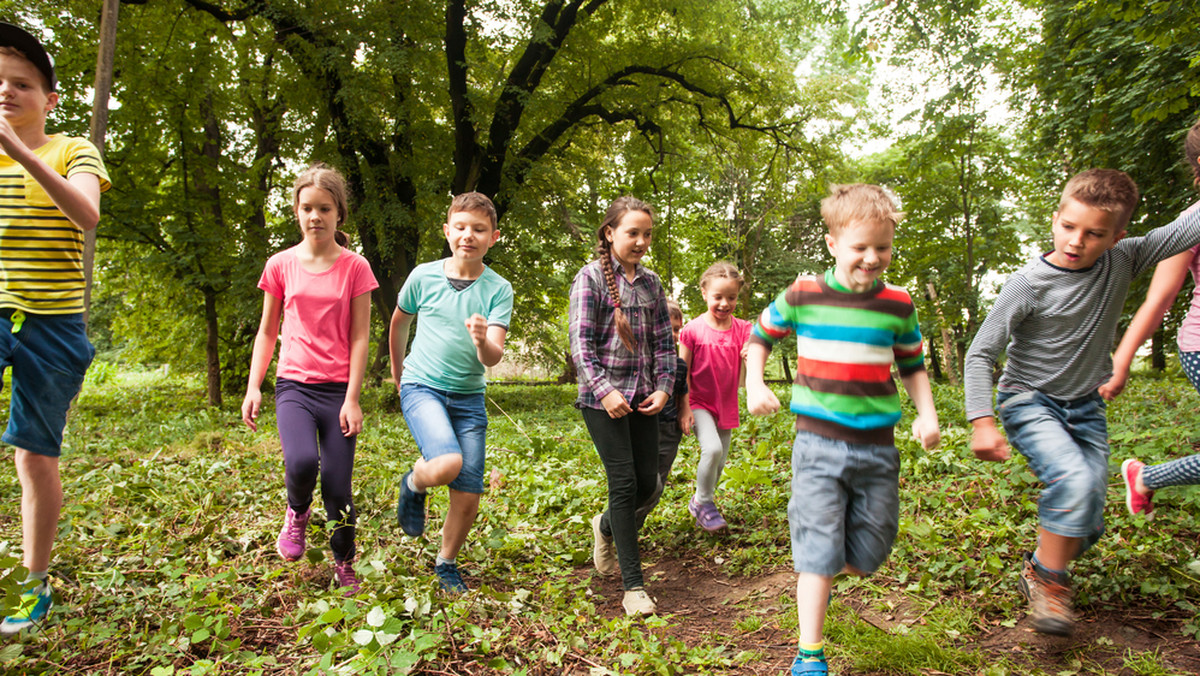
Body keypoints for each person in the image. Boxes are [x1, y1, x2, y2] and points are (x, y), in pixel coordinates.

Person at [965, 168, 1200, 636]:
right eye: (1069, 227)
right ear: (1055, 219)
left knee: (1088, 516)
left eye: (1095, 234)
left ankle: (1037, 569)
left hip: (1085, 407)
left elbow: (1185, 229)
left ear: (1118, 236)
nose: (1077, 241)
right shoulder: (1028, 283)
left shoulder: (1125, 259)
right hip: (1029, 401)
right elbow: (981, 352)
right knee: (1072, 482)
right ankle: (1052, 585)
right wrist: (981, 421)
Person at [746, 184, 939, 675]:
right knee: (817, 551)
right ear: (833, 243)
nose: (872, 258)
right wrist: (753, 383)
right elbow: (760, 336)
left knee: (871, 552)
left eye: (883, 246)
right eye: (860, 247)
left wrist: (927, 413)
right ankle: (809, 653)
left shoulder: (898, 303)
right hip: (817, 445)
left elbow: (914, 365)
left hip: (878, 450)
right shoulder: (804, 294)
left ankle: (829, 561)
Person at [0, 23, 111, 634]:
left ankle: (33, 584)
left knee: (34, 458)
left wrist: (18, 151)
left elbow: (86, 212)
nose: (6, 93)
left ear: (50, 99)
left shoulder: (73, 150)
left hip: (55, 327)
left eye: (20, 84)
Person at [241, 164, 377, 597]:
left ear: (339, 214)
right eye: (307, 208)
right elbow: (267, 330)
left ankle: (344, 562)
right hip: (294, 387)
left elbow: (360, 335)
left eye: (324, 208)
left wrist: (353, 397)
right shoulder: (280, 265)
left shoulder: (356, 267)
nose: (314, 216)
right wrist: (253, 385)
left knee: (338, 485)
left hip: (338, 390)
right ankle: (296, 513)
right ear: (296, 212)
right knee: (301, 463)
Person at [391, 192, 513, 594]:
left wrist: (481, 340)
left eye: (478, 229)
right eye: (460, 228)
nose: (468, 236)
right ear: (447, 231)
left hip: (468, 399)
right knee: (446, 464)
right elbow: (399, 324)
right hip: (422, 386)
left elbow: (493, 357)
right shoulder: (422, 276)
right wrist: (398, 374)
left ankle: (446, 564)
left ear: (492, 237)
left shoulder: (498, 288)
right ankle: (414, 482)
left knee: (469, 490)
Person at [569, 196, 675, 617]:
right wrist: (603, 391)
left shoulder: (651, 284)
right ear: (610, 233)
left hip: (643, 397)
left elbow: (666, 344)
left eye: (647, 234)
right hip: (602, 401)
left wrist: (665, 388)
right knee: (624, 483)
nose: (641, 241)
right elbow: (580, 345)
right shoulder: (590, 278)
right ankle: (633, 587)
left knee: (649, 484)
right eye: (633, 232)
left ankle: (606, 525)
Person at [1098, 118, 1200, 517]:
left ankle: (1146, 477)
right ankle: (1146, 477)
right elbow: (1159, 298)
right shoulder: (1190, 223)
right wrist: (1121, 361)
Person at [680, 262, 752, 531]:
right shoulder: (692, 330)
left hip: (726, 403)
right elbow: (682, 371)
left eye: (731, 297)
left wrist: (751, 352)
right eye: (718, 297)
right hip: (698, 402)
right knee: (712, 449)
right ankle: (703, 502)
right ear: (704, 294)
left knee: (719, 462)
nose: (725, 303)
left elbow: (754, 348)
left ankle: (700, 501)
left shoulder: (743, 328)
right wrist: (684, 407)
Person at [633, 299, 690, 529]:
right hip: (644, 428)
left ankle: (632, 529)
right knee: (645, 485)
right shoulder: (638, 363)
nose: (673, 334)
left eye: (676, 329)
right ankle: (618, 528)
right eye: (667, 328)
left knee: (657, 487)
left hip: (669, 431)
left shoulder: (679, 365)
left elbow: (682, 391)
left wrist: (685, 410)